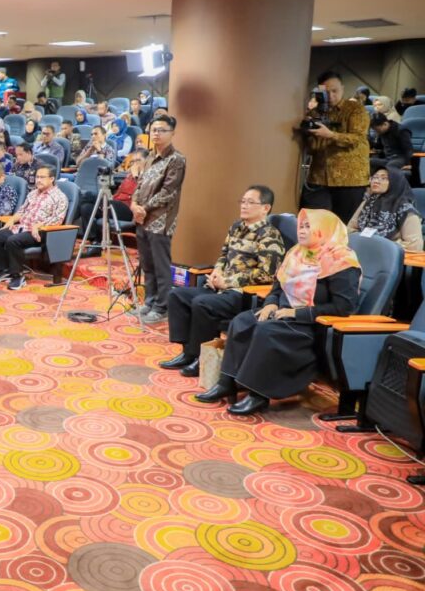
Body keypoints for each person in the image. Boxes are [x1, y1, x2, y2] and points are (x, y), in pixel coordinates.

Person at [195, 209, 360, 415]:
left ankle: (258, 394)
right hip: (282, 312)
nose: (302, 230)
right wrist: (271, 303)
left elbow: (343, 308)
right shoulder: (297, 253)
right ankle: (227, 381)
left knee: (267, 331)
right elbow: (277, 287)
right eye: (301, 225)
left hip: (311, 324)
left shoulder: (342, 262)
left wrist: (296, 314)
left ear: (324, 230)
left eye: (309, 226)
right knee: (243, 321)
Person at [161, 186, 285, 376]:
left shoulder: (269, 235)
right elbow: (224, 255)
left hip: (242, 293)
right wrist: (217, 272)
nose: (244, 206)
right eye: (242, 201)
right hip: (220, 286)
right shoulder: (236, 227)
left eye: (250, 202)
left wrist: (228, 282)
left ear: (265, 208)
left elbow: (267, 274)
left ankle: (201, 357)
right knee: (177, 295)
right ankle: (188, 352)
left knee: (202, 303)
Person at [130, 115, 186, 323]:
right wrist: (135, 205)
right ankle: (150, 301)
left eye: (162, 130)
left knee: (161, 267)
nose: (156, 133)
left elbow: (168, 192)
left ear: (172, 133)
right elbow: (140, 184)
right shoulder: (150, 156)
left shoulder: (176, 160)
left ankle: (162, 307)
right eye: (154, 129)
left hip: (161, 221)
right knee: (147, 264)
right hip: (142, 219)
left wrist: (144, 208)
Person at [0, 165, 67, 290]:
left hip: (40, 232)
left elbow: (58, 219)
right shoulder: (33, 193)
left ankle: (17, 275)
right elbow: (21, 212)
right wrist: (10, 221)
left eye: (42, 177)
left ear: (52, 179)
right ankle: (3, 270)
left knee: (13, 240)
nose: (38, 180)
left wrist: (39, 225)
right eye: (37, 177)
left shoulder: (60, 197)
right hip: (22, 227)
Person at [301, 70, 370, 223]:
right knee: (313, 222)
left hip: (349, 178)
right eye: (326, 92)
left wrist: (330, 134)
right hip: (319, 177)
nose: (331, 96)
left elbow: (357, 138)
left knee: (342, 225)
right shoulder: (315, 113)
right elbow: (311, 148)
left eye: (335, 91)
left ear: (343, 89)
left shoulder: (355, 109)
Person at [348, 161, 423, 251]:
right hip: (362, 250)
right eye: (375, 177)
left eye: (383, 178)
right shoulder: (368, 202)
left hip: (385, 256)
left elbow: (414, 245)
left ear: (395, 182)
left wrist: (380, 246)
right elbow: (350, 229)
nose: (376, 181)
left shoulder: (406, 210)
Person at [79, 159, 145, 257]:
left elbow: (142, 192)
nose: (134, 163)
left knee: (88, 195)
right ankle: (95, 243)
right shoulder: (128, 175)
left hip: (128, 209)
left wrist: (136, 176)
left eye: (137, 160)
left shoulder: (146, 176)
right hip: (114, 203)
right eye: (133, 161)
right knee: (86, 208)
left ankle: (72, 215)